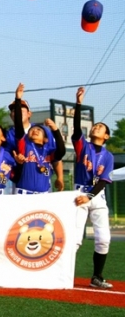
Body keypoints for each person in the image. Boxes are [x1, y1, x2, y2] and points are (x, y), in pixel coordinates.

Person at [72, 86, 114, 289]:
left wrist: (89, 195)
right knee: (76, 239)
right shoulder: (83, 146)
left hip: (96, 196)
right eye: (95, 125)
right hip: (79, 194)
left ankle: (97, 277)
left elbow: (104, 180)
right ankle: (64, 274)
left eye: (100, 127)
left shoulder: (108, 156)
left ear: (106, 136)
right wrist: (78, 104)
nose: (96, 127)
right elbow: (77, 129)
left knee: (104, 239)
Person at [12, 83, 66, 194]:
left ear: (46, 139)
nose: (35, 130)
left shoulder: (48, 151)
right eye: (33, 130)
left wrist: (55, 129)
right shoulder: (24, 144)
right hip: (23, 192)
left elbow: (61, 152)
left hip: (44, 193)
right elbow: (18, 124)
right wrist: (18, 98)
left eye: (39, 130)